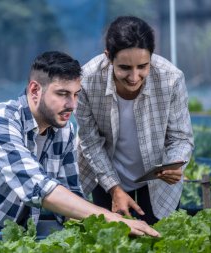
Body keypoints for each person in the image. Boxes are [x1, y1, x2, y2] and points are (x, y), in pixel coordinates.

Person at [0, 51, 159, 250]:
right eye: (62, 94)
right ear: (35, 90)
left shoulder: (63, 131)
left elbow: (71, 197)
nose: (72, 104)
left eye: (75, 94)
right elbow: (37, 188)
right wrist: (109, 218)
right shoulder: (0, 121)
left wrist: (112, 237)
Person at [75, 16, 194, 225]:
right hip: (104, 172)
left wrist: (175, 164)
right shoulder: (87, 81)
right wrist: (114, 188)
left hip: (156, 175)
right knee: (109, 240)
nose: (134, 76)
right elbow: (90, 142)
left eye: (142, 66)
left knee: (160, 238)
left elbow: (181, 137)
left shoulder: (171, 79)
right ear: (108, 57)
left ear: (151, 57)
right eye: (124, 68)